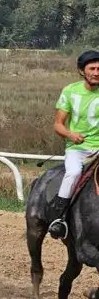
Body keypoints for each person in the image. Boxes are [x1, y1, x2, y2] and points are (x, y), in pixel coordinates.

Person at [47, 50, 99, 240]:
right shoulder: (70, 91)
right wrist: (70, 134)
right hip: (78, 150)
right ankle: (59, 220)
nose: (96, 72)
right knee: (74, 173)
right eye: (92, 68)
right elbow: (58, 124)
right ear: (82, 71)